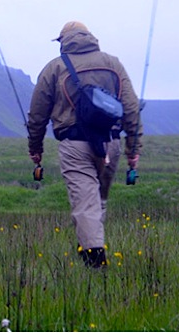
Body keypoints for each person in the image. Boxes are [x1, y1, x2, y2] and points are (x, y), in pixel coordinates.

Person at [27, 21, 141, 268]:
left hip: (74, 145)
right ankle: (90, 249)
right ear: (90, 37)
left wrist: (35, 150)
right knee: (97, 201)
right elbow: (131, 109)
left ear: (63, 41)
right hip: (111, 143)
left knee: (85, 204)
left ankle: (95, 265)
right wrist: (133, 151)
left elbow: (37, 115)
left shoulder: (55, 68)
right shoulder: (113, 63)